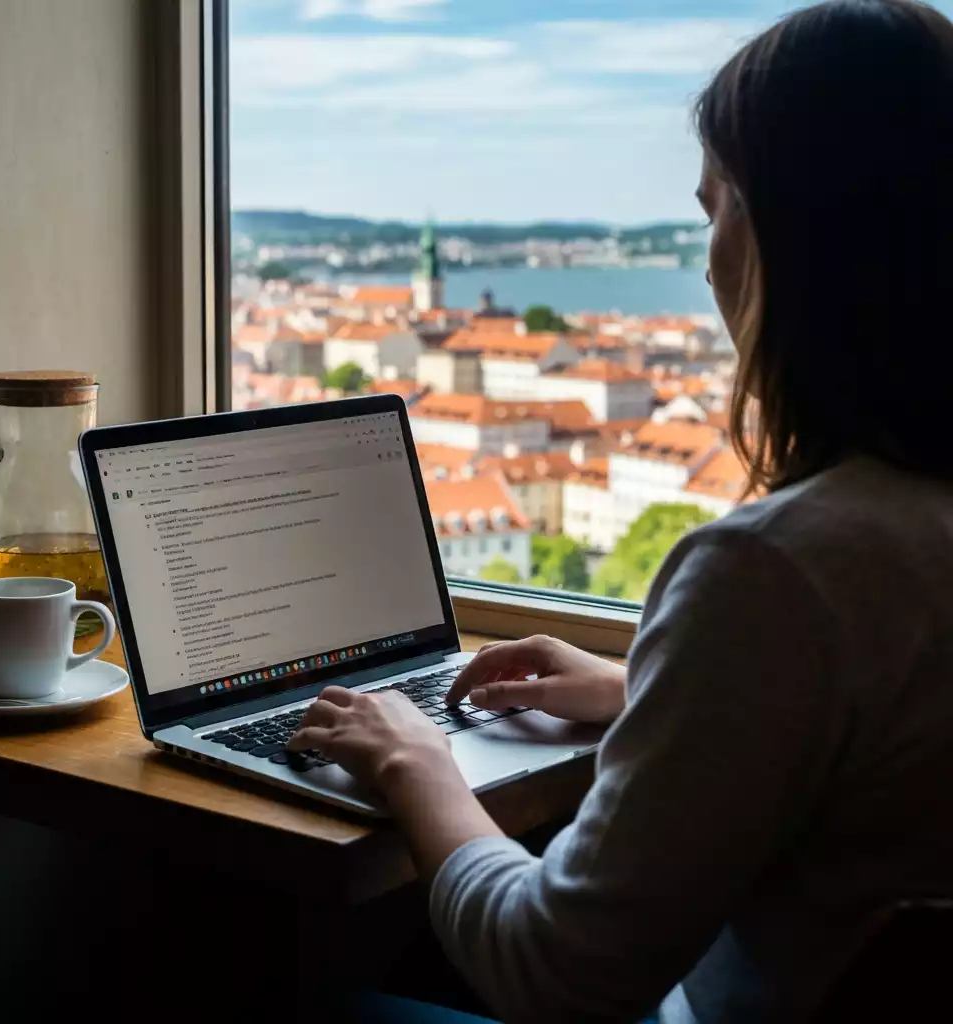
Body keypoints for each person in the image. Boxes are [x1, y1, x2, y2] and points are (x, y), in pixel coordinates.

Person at [291, 1, 953, 1020]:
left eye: (713, 209)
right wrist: (650, 683)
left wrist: (417, 765)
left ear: (790, 232)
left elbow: (558, 974)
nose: (702, 260)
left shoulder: (778, 568)